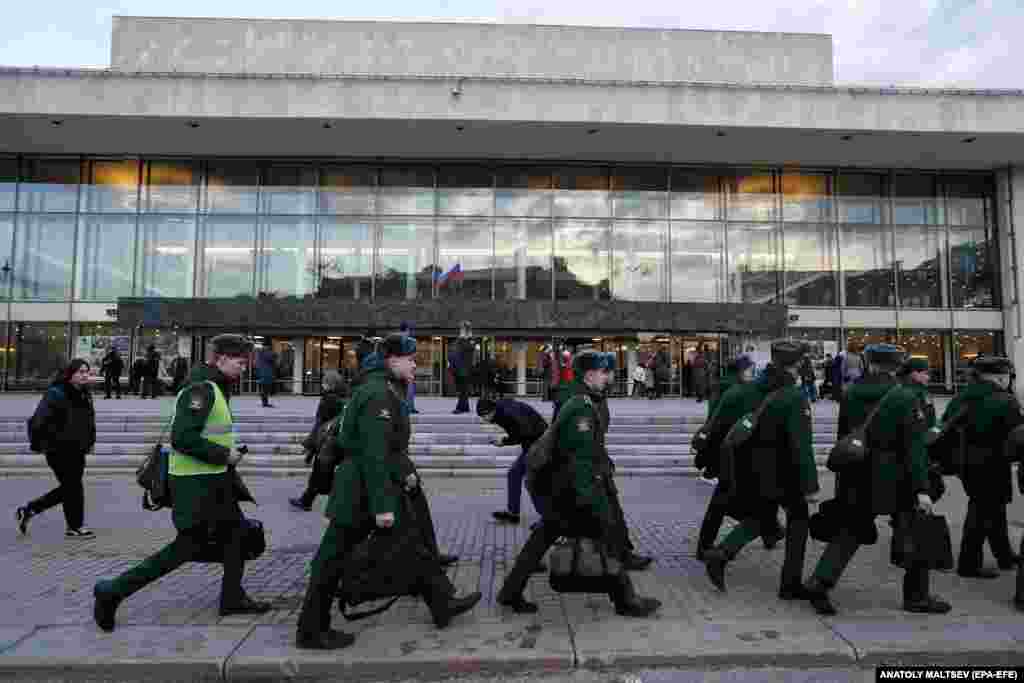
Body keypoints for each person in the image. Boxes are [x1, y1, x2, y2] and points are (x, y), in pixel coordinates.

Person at [294, 334, 481, 650]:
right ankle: (311, 630)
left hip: (369, 486)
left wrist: (404, 473)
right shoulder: (380, 395)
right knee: (330, 561)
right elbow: (374, 453)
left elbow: (388, 450)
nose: (415, 364)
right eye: (410, 358)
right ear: (391, 359)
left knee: (414, 544)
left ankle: (441, 603)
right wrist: (382, 505)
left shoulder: (383, 389)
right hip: (362, 493)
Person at [92, 334, 270, 632]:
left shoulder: (216, 386)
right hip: (196, 486)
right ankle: (112, 591)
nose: (244, 368)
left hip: (215, 483)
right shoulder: (201, 388)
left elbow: (209, 432)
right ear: (221, 359)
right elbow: (183, 437)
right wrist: (224, 455)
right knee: (186, 548)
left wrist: (227, 452)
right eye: (240, 362)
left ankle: (232, 598)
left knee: (237, 536)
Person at [495, 350, 660, 617]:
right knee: (606, 537)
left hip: (562, 488)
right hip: (572, 490)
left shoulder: (585, 400)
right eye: (604, 372)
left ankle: (510, 592)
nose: (608, 377)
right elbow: (578, 458)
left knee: (542, 539)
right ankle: (626, 601)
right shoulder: (581, 407)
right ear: (589, 374)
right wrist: (591, 497)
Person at [803, 343, 950, 615]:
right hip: (897, 474)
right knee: (916, 531)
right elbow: (914, 445)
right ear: (897, 366)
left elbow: (845, 435)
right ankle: (916, 596)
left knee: (851, 530)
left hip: (858, 471)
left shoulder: (851, 393)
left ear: (868, 364)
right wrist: (921, 487)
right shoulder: (907, 395)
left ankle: (820, 582)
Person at [701, 342, 819, 599]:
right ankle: (790, 583)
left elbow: (719, 426)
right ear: (797, 365)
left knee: (762, 517)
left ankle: (721, 554)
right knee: (798, 521)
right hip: (786, 472)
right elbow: (801, 446)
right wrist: (810, 485)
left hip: (752, 468)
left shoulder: (746, 389)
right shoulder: (794, 396)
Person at [940, 356, 1023, 579]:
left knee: (993, 510)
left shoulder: (961, 397)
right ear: (1000, 377)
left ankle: (1004, 555)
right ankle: (969, 563)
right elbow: (1017, 436)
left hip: (965, 462)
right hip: (994, 463)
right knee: (982, 512)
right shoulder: (1005, 400)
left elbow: (946, 425)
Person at [695, 354, 784, 550]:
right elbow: (719, 423)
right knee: (727, 502)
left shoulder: (725, 387)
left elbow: (714, 422)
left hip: (727, 451)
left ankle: (771, 533)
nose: (752, 374)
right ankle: (707, 547)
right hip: (733, 452)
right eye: (750, 370)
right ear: (741, 371)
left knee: (738, 500)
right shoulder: (738, 391)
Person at [17, 359, 97, 538]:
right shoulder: (56, 393)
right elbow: (39, 421)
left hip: (78, 449)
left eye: (87, 372)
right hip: (58, 450)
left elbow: (89, 421)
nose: (85, 375)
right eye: (81, 372)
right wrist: (49, 442)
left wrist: (90, 441)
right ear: (70, 374)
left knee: (70, 487)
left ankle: (30, 510)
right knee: (73, 487)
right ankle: (75, 527)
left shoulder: (84, 393)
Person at [479, 397, 549, 525]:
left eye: (484, 416)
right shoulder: (500, 411)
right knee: (514, 474)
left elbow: (526, 433)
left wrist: (504, 441)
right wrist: (505, 441)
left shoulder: (508, 414)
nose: (483, 420)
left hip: (539, 443)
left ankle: (547, 519)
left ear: (491, 411)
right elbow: (519, 432)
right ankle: (513, 513)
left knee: (532, 481)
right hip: (532, 443)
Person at [289, 370, 347, 512]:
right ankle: (306, 500)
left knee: (321, 474)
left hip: (326, 441)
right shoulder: (344, 398)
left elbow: (319, 424)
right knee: (323, 474)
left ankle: (308, 501)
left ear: (329, 384)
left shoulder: (328, 399)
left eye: (324, 382)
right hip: (336, 441)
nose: (322, 385)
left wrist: (309, 444)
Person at [450, 321, 474, 414]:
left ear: (466, 330)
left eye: (462, 329)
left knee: (462, 389)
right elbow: (455, 351)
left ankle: (460, 408)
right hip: (459, 368)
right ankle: (465, 407)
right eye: (461, 329)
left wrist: (463, 339)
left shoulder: (469, 341)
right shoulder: (461, 340)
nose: (461, 331)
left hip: (464, 369)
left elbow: (469, 350)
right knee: (462, 389)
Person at [399, 322, 418, 414]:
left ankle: (402, 407)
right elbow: (414, 354)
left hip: (398, 365)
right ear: (407, 330)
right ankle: (410, 407)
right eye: (408, 330)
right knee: (410, 388)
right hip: (408, 365)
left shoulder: (396, 340)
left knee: (400, 387)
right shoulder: (412, 341)